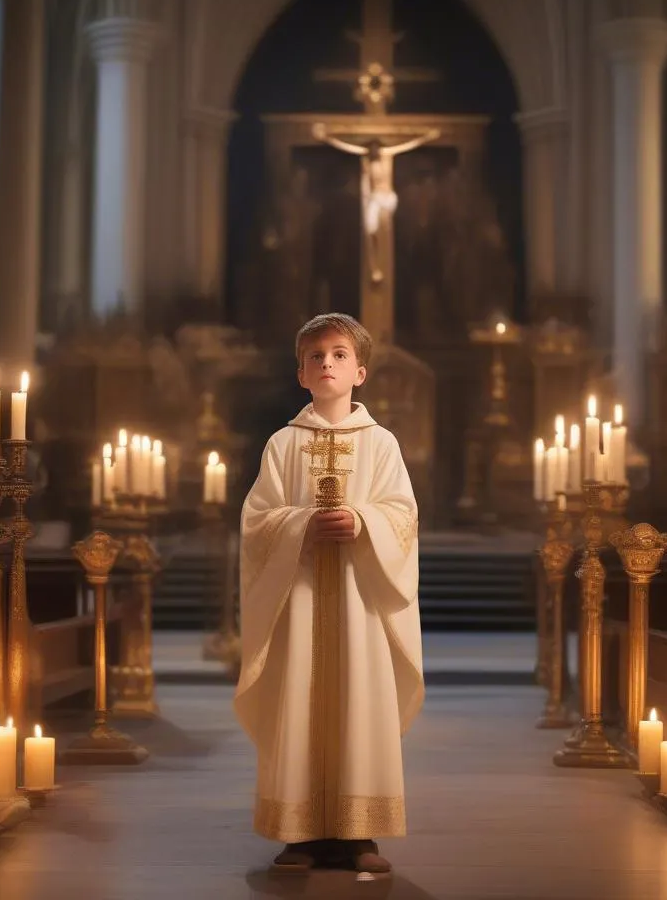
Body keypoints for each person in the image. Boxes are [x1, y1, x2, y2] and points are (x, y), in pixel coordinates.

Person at [234, 312, 424, 875]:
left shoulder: (382, 444)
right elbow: (256, 519)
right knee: (299, 698)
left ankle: (359, 833)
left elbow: (403, 515)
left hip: (359, 599)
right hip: (299, 597)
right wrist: (298, 525)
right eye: (316, 356)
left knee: (359, 702)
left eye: (340, 354)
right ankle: (298, 835)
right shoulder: (281, 444)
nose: (327, 364)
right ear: (300, 373)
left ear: (360, 371)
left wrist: (365, 522)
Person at [312, 123, 440, 286]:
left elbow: (407, 145)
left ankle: (403, 254)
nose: (373, 150)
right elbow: (346, 146)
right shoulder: (365, 156)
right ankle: (375, 269)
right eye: (371, 148)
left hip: (386, 197)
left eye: (375, 147)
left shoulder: (386, 154)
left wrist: (426, 138)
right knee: (370, 233)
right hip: (374, 200)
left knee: (390, 229)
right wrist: (326, 137)